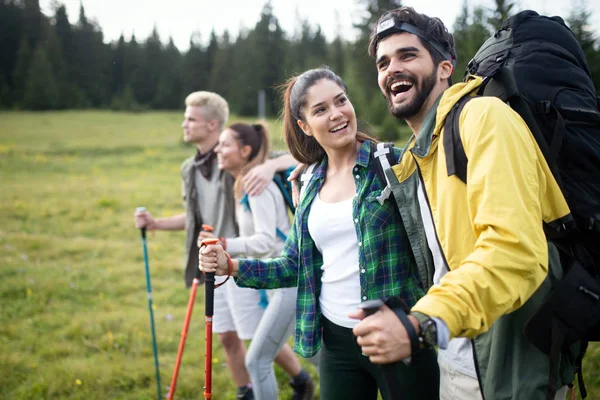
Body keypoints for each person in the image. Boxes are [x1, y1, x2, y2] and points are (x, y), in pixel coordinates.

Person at [351, 6, 576, 400]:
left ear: (444, 66)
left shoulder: (483, 118)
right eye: (383, 63)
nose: (392, 70)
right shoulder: (417, 157)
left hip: (510, 369)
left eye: (408, 55)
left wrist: (423, 321)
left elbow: (515, 252)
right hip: (454, 358)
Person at [199, 67, 439, 400]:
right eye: (321, 110)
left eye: (341, 101)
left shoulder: (394, 166)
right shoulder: (309, 183)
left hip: (398, 332)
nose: (337, 114)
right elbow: (292, 264)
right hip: (336, 343)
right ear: (305, 126)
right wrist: (232, 266)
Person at [134, 91, 302, 400]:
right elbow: (194, 217)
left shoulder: (239, 157)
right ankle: (246, 392)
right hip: (214, 260)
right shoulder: (192, 168)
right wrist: (156, 223)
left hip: (241, 261)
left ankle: (301, 378)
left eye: (190, 118)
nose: (183, 124)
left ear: (213, 125)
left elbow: (301, 156)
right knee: (227, 336)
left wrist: (269, 167)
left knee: (256, 338)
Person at [198, 121, 315, 400]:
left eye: (225, 144)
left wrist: (224, 244)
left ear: (245, 150)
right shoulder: (246, 182)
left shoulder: (256, 186)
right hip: (277, 281)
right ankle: (307, 385)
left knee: (257, 360)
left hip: (287, 277)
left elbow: (266, 242)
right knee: (321, 353)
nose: (217, 149)